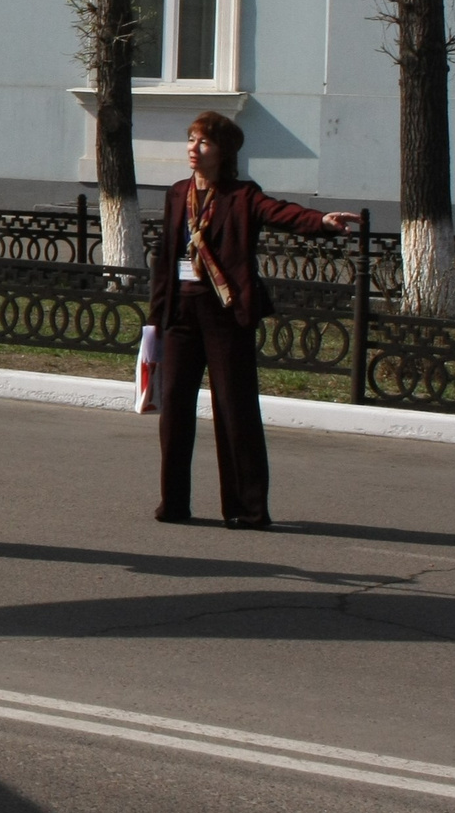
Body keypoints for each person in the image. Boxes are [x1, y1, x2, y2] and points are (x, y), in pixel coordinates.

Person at [149, 111, 358, 530]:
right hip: (180, 315)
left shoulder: (243, 196)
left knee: (235, 408)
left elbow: (281, 212)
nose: (193, 148)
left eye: (203, 142)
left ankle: (247, 508)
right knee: (174, 408)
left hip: (226, 314)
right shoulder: (177, 194)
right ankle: (174, 502)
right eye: (190, 139)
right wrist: (156, 319)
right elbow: (166, 256)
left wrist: (322, 222)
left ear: (223, 150)